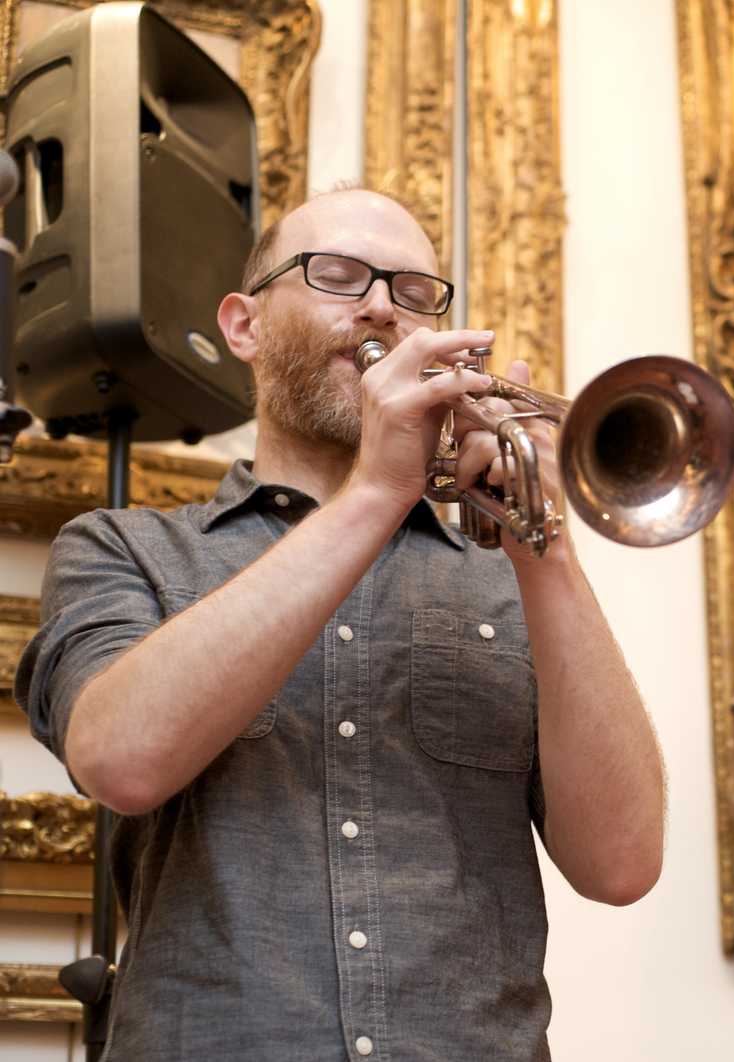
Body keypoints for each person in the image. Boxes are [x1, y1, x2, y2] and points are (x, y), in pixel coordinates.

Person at [16, 188, 666, 1061]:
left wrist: (547, 553)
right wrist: (376, 491)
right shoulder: (122, 549)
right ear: (244, 326)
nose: (382, 308)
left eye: (413, 291)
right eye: (338, 275)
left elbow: (621, 865)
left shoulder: (511, 583)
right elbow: (121, 760)